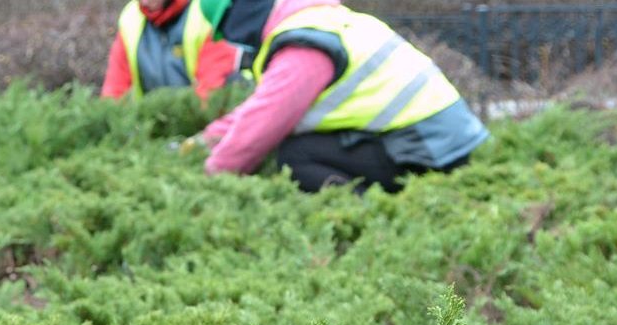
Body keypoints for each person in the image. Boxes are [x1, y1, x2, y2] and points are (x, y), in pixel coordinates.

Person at [193, 0, 488, 193]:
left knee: (295, 155)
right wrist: (206, 139)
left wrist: (210, 175)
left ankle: (367, 217)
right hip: (442, 139)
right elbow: (261, 107)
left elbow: (261, 126)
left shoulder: (302, 45)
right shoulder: (320, 22)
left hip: (429, 150)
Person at [103, 0, 245, 103]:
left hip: (202, 125)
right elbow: (115, 89)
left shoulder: (206, 11)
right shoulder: (131, 17)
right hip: (152, 129)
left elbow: (213, 90)